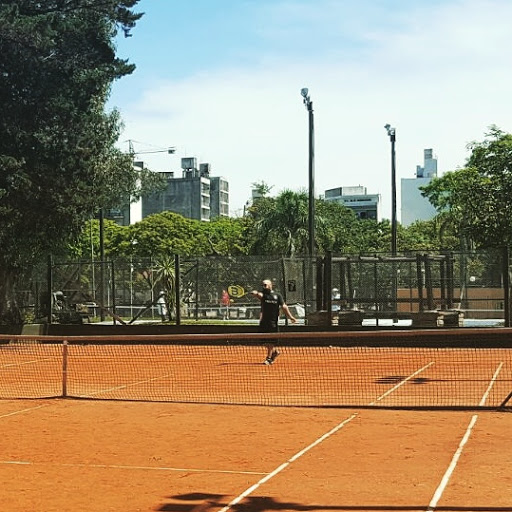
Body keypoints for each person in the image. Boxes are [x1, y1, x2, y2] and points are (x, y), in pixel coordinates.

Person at [251, 279, 297, 365]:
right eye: (263, 285)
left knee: (270, 341)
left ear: (270, 285)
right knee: (264, 342)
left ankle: (268, 358)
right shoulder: (263, 294)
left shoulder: (277, 295)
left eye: (265, 285)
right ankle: (274, 352)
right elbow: (259, 295)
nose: (264, 286)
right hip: (263, 322)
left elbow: (284, 307)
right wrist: (255, 293)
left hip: (273, 322)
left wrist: (290, 317)